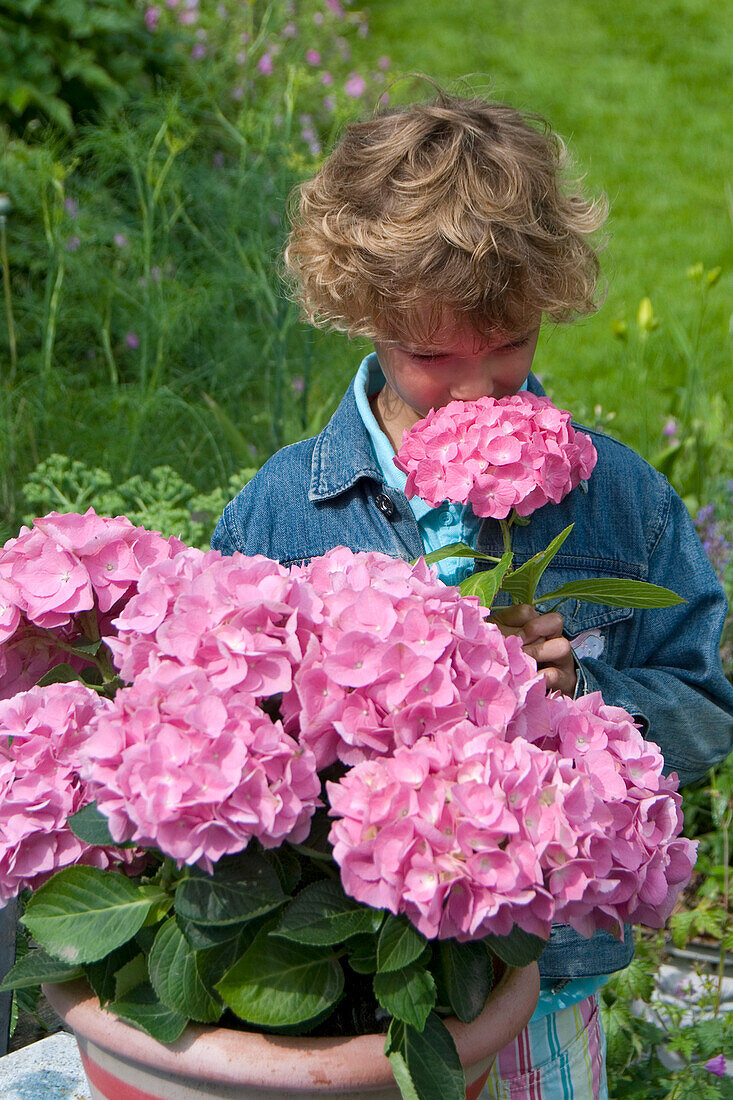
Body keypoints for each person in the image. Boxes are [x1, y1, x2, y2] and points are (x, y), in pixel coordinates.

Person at [211, 91, 733, 1098]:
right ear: (360, 311)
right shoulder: (282, 510)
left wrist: (580, 684)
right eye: (430, 354)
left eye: (507, 342)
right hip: (348, 987)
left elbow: (705, 709)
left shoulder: (618, 501)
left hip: (540, 990)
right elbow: (231, 737)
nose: (473, 388)